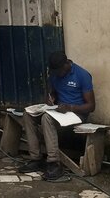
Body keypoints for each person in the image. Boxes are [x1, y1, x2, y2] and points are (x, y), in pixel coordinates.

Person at [22, 50, 96, 182]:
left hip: (77, 114)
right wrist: (51, 99)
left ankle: (53, 163)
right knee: (28, 115)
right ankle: (35, 158)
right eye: (54, 72)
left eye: (58, 72)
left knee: (47, 118)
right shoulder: (55, 75)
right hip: (59, 111)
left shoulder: (82, 75)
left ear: (66, 65)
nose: (57, 75)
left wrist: (71, 107)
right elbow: (53, 93)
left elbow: (91, 106)